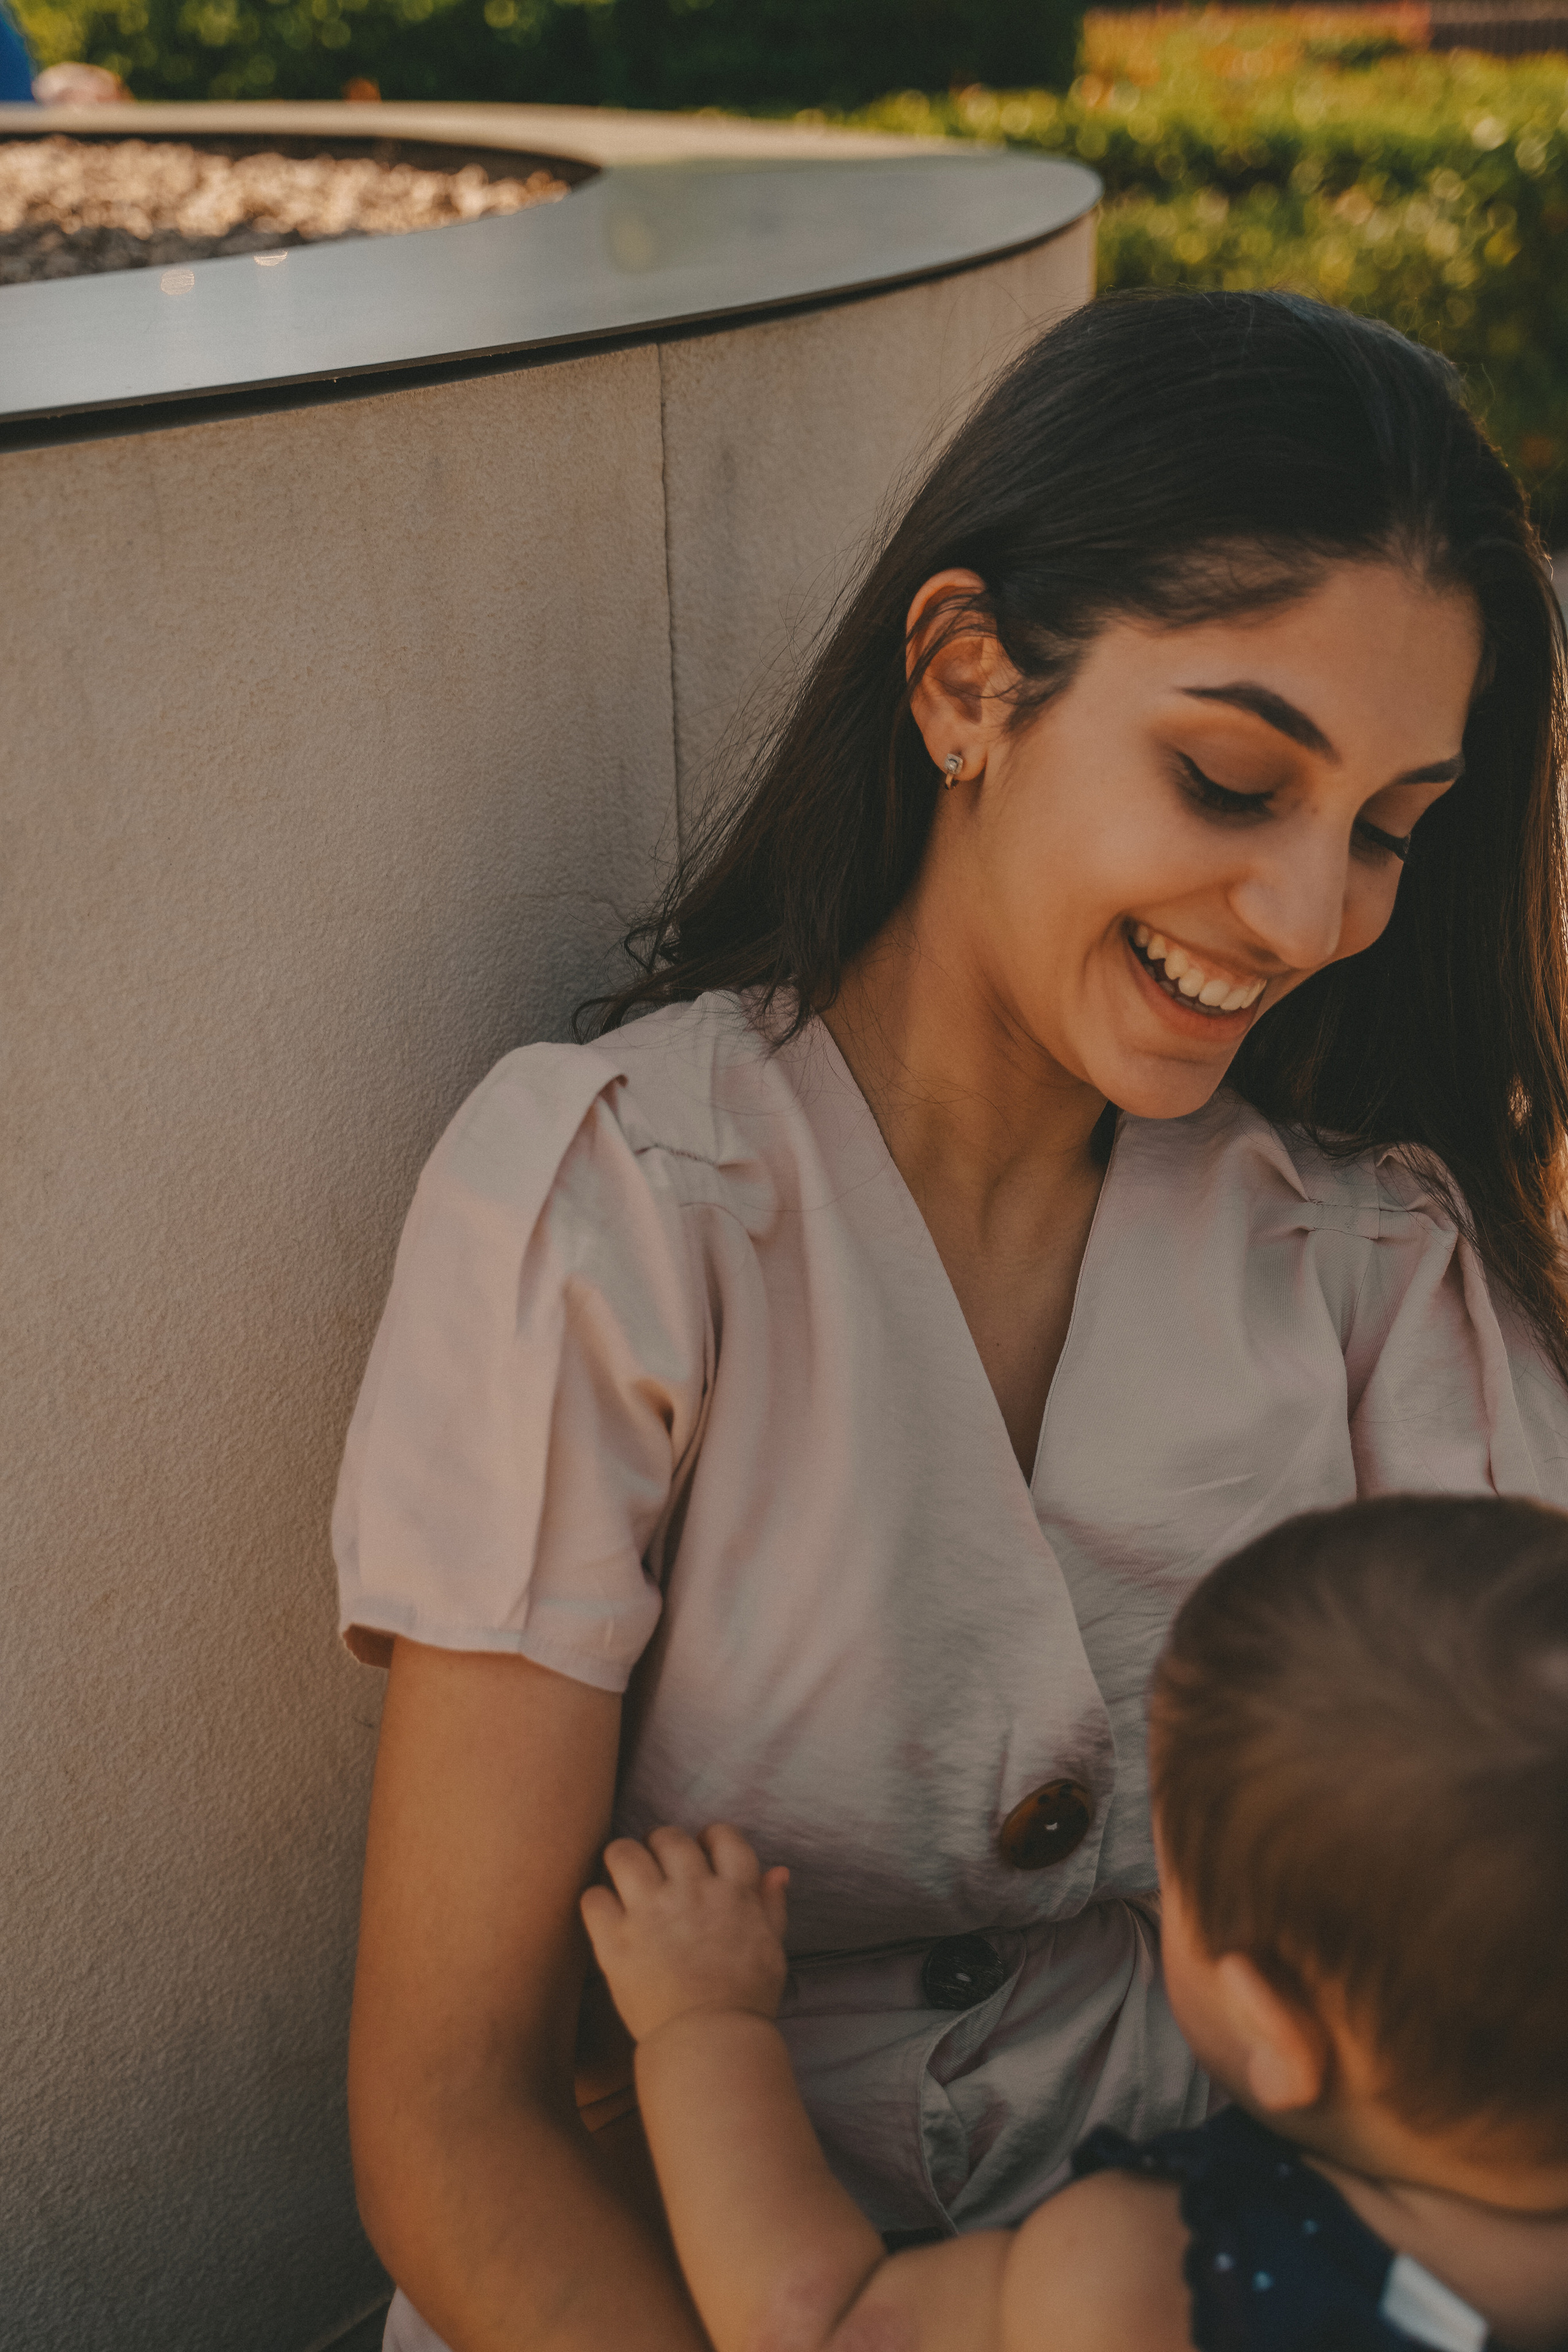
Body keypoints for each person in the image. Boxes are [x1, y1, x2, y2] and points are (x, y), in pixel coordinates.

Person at [337, 290, 1568, 2352]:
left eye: (1387, 834)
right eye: (1232, 779)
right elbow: (449, 2103)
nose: (1312, 919)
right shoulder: (623, 1205)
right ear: (968, 679)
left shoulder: (1375, 1256)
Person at [581, 1494, 1568, 2352]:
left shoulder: (1156, 2280)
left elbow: (823, 2325)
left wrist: (703, 2024)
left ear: (1279, 2026)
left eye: (1173, 1877)